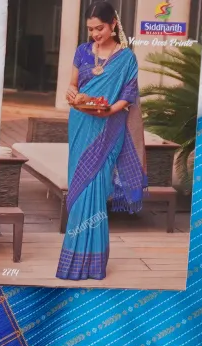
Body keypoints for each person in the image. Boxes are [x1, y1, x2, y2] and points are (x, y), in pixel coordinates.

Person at [56, 2, 147, 281]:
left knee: (95, 187)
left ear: (113, 25)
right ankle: (73, 260)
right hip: (81, 123)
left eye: (100, 28)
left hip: (109, 127)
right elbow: (73, 84)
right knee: (79, 187)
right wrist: (72, 94)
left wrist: (108, 110)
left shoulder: (127, 58)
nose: (95, 34)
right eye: (91, 29)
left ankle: (93, 263)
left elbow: (128, 96)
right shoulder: (82, 51)